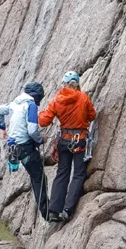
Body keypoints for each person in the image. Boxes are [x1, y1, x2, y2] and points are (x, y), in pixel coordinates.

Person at [38, 70, 96, 222]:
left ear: (64, 84)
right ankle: (68, 210)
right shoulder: (83, 97)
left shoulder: (57, 100)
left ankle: (53, 210)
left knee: (62, 172)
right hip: (79, 140)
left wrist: (38, 114)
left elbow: (44, 121)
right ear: (76, 84)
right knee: (78, 174)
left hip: (63, 140)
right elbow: (92, 115)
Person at [0, 81, 49, 219]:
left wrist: (2, 128)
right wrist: (41, 139)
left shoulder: (14, 104)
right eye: (39, 98)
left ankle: (46, 210)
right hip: (26, 147)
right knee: (39, 178)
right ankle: (48, 213)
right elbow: (31, 129)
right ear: (35, 96)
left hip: (14, 148)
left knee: (36, 176)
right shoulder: (30, 106)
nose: (39, 102)